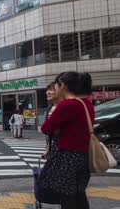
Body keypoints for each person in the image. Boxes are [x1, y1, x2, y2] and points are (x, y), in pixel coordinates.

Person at [39, 72, 93, 209]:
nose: (54, 89)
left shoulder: (67, 105)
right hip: (83, 156)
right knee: (79, 194)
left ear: (62, 85)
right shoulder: (86, 103)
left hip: (67, 157)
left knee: (66, 196)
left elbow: (45, 128)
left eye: (55, 86)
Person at [43, 82, 62, 160]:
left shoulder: (64, 106)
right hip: (53, 145)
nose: (48, 92)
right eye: (47, 90)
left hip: (63, 147)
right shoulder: (49, 108)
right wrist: (48, 147)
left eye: (51, 90)